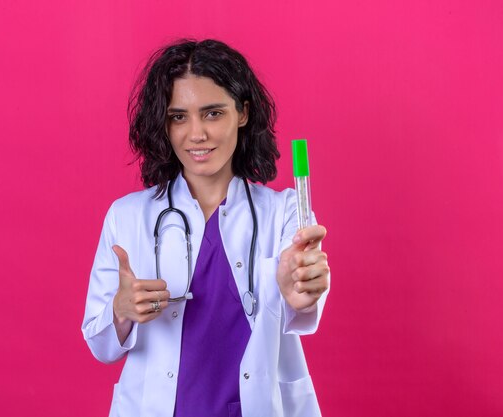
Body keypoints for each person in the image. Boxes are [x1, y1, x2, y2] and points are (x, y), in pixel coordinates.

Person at [82, 39, 330, 417]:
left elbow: (302, 298)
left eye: (213, 113)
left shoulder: (285, 212)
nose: (196, 134)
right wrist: (120, 310)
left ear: (242, 113)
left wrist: (299, 287)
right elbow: (101, 347)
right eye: (178, 116)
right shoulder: (128, 216)